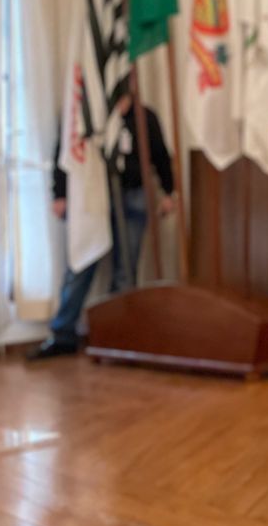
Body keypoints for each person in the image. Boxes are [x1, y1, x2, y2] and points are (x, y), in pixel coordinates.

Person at [30, 94, 177, 361]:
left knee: (126, 271)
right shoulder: (85, 114)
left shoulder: (144, 117)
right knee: (81, 263)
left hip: (133, 195)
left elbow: (160, 155)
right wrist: (59, 193)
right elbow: (65, 152)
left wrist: (169, 191)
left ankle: (116, 336)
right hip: (92, 197)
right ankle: (63, 334)